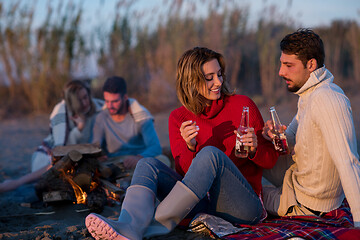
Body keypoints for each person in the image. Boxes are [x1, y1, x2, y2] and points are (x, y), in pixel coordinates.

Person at [85, 47, 279, 239]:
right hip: (200, 206)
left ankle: (153, 226)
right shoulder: (178, 117)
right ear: (191, 82)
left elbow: (270, 160)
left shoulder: (242, 105)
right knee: (147, 164)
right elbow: (185, 175)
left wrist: (254, 149)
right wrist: (190, 147)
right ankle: (128, 226)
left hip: (243, 207)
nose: (218, 82)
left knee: (211, 154)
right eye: (209, 77)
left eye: (219, 74)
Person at [261, 29, 360, 228]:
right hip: (295, 180)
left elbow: (348, 162)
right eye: (281, 64)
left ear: (311, 64)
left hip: (304, 204)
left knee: (244, 189)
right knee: (248, 153)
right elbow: (290, 140)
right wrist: (272, 137)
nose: (281, 72)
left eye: (288, 65)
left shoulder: (327, 99)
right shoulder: (310, 94)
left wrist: (358, 223)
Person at [0, 80, 103, 193]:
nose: (84, 103)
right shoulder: (61, 111)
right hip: (47, 156)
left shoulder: (93, 105)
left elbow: (109, 104)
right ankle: (18, 182)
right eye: (79, 100)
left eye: (85, 97)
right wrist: (80, 127)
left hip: (74, 155)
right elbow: (60, 155)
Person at [91, 76, 169, 170]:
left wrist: (139, 158)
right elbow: (95, 145)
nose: (110, 106)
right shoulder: (101, 117)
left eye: (115, 101)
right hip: (114, 163)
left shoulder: (141, 116)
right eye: (107, 101)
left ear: (125, 97)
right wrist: (99, 155)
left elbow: (155, 147)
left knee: (163, 160)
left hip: (140, 160)